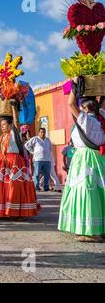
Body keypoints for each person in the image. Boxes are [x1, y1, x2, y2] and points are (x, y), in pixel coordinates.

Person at [58, 94, 105, 243]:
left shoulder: (87, 120)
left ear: (85, 108)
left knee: (85, 192)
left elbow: (70, 104)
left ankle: (90, 231)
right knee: (98, 192)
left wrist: (73, 88)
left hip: (85, 159)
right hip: (98, 158)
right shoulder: (101, 119)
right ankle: (97, 229)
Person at [0, 100, 39, 219]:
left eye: (4, 125)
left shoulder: (14, 134)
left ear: (10, 125)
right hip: (2, 164)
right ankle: (3, 211)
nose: (2, 127)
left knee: (14, 186)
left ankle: (17, 212)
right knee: (2, 187)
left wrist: (14, 108)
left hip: (14, 162)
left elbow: (16, 122)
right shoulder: (1, 137)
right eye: (1, 125)